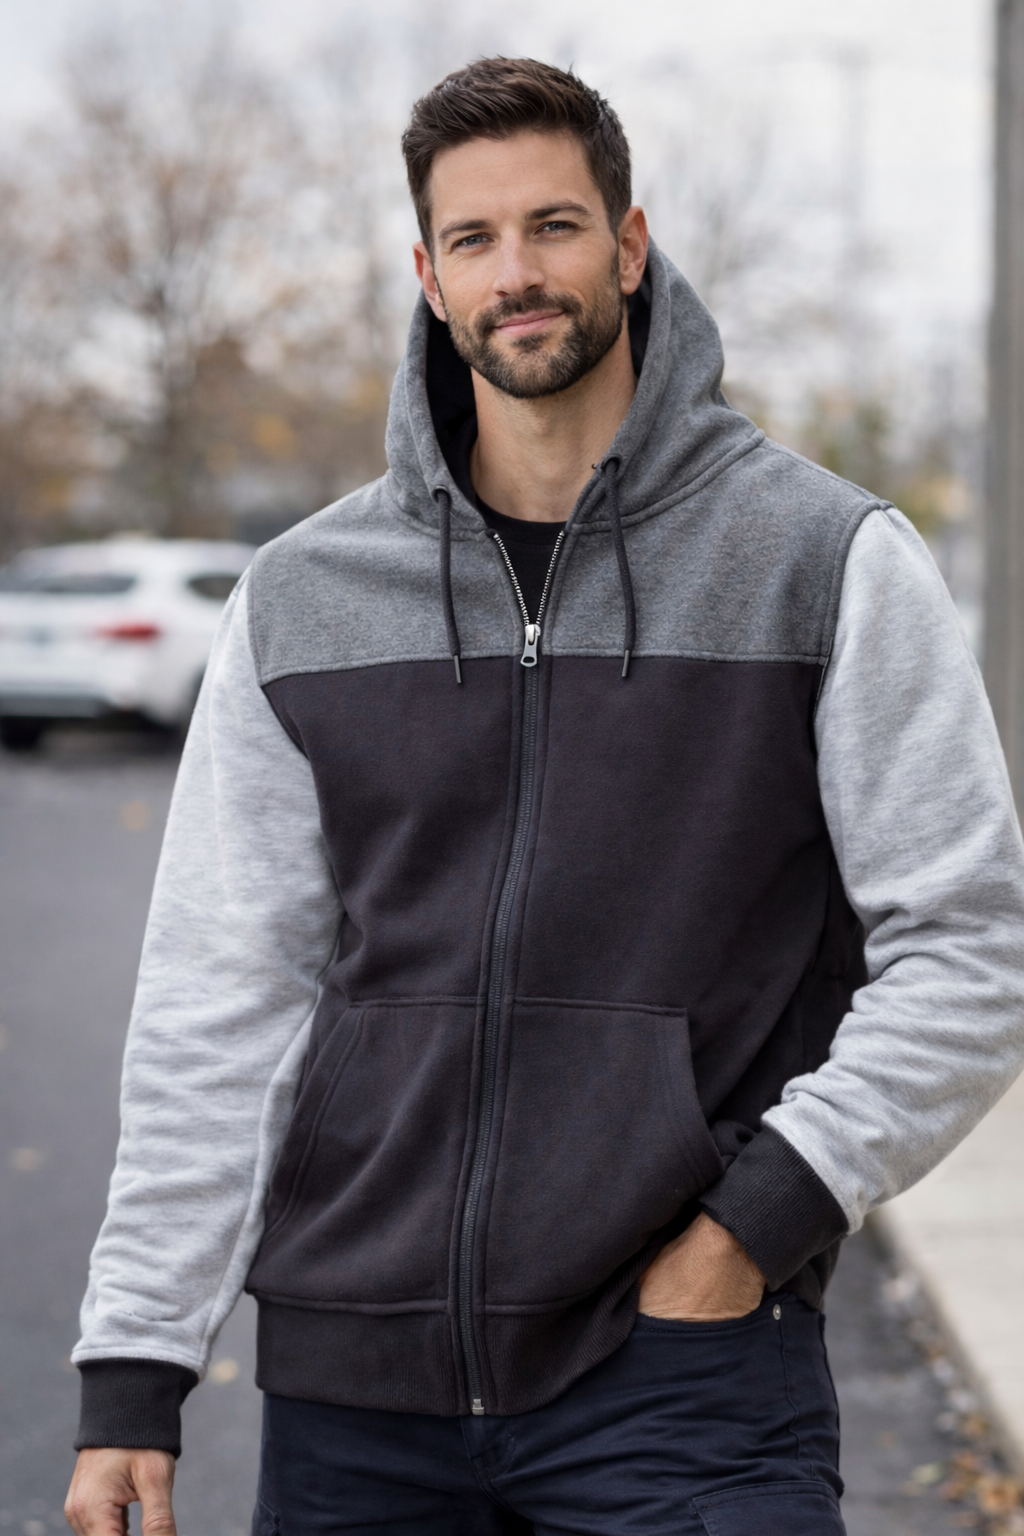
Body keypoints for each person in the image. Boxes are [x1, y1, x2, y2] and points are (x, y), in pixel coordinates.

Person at [65, 57, 1024, 1536]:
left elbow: (968, 948)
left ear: (630, 247)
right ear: (430, 278)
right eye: (474, 239)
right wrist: (137, 1360)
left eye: (556, 226)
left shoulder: (825, 560)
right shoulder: (303, 598)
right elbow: (221, 993)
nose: (518, 273)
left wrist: (751, 1229)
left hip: (686, 1378)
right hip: (357, 1393)